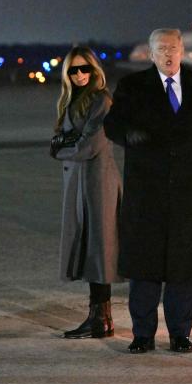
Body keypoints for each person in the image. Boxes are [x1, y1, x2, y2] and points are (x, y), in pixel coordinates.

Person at [104, 29, 192, 353]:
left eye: (173, 48)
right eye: (161, 49)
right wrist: (128, 135)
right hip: (146, 192)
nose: (168, 54)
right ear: (151, 53)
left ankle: (180, 333)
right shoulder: (133, 86)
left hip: (187, 191)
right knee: (145, 266)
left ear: (183, 49)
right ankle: (143, 334)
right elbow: (111, 124)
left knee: (183, 267)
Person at [50, 46, 123, 339]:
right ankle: (98, 316)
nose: (79, 75)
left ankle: (101, 319)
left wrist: (61, 149)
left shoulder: (101, 100)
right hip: (81, 182)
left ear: (95, 71)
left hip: (97, 183)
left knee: (100, 250)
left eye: (84, 69)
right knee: (90, 248)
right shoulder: (73, 100)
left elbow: (89, 145)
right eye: (73, 70)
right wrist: (66, 143)